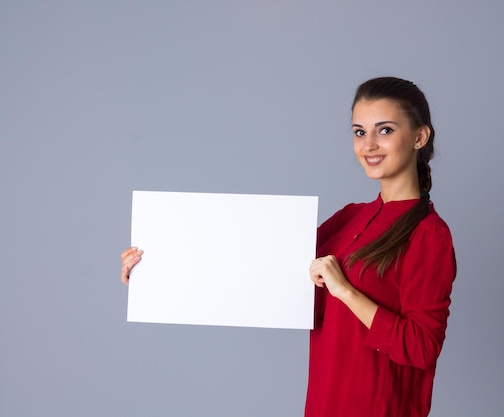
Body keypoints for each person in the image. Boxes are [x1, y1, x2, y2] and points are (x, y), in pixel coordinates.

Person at [120, 76, 456, 417]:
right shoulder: (350, 218)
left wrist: (346, 292)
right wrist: (156, 274)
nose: (368, 145)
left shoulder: (429, 234)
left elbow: (423, 347)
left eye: (384, 130)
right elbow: (265, 273)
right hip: (323, 405)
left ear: (419, 136)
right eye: (359, 132)